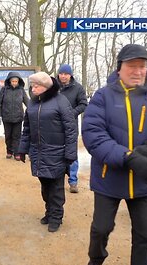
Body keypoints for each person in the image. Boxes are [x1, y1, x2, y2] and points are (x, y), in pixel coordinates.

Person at [82, 44, 147, 265]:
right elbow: (94, 135)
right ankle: (95, 261)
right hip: (109, 177)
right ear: (119, 68)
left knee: (145, 236)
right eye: (132, 66)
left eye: (143, 66)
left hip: (144, 179)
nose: (138, 71)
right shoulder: (103, 96)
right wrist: (129, 158)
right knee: (101, 229)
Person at [16, 72, 77, 233]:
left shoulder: (61, 101)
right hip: (38, 152)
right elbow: (27, 128)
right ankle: (49, 212)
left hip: (57, 152)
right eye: (32, 85)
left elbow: (71, 129)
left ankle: (56, 217)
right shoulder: (32, 103)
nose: (33, 88)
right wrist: (22, 149)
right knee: (45, 186)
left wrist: (70, 153)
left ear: (46, 87)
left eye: (37, 86)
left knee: (56, 188)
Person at [57, 64, 88, 193]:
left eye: (66, 74)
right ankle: (56, 181)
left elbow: (83, 104)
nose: (63, 76)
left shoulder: (78, 88)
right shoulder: (53, 87)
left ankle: (73, 181)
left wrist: (71, 113)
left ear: (70, 75)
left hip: (71, 126)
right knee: (56, 153)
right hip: (55, 126)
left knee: (72, 154)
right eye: (61, 73)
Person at [0, 72, 29, 160]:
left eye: (16, 81)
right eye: (13, 81)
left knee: (17, 136)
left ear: (18, 81)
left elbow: (27, 102)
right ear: (9, 81)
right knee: (8, 136)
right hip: (6, 117)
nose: (14, 83)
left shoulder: (21, 90)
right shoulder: (4, 90)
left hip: (18, 117)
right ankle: (9, 151)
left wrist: (32, 111)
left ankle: (16, 152)